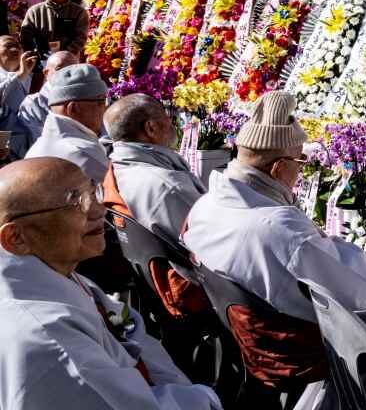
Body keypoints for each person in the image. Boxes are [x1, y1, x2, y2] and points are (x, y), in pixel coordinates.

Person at [184, 90, 366, 408]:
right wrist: (340, 250)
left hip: (250, 330)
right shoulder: (279, 228)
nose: (301, 170)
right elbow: (360, 292)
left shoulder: (204, 206)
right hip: (294, 344)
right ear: (278, 168)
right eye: (300, 161)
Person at [0, 157, 221, 409]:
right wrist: (204, 397)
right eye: (76, 201)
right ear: (15, 237)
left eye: (93, 192)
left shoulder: (55, 270)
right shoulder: (48, 341)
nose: (100, 210)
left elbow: (130, 335)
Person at [103, 94, 205, 238]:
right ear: (151, 128)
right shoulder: (170, 187)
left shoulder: (116, 167)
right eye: (166, 115)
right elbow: (215, 237)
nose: (172, 121)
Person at [26, 63, 109, 185]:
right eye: (100, 102)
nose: (105, 108)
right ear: (73, 108)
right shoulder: (82, 153)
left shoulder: (41, 145)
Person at [6, 51, 79, 160]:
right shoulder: (33, 103)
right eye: (60, 69)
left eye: (73, 68)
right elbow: (34, 143)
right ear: (46, 73)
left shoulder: (85, 99)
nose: (68, 73)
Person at [19, 0, 88, 56]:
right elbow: (25, 36)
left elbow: (80, 38)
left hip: (67, 59)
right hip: (39, 59)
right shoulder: (34, 11)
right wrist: (34, 53)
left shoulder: (78, 12)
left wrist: (64, 55)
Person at [0, 35, 37, 121]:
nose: (15, 49)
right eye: (9, 45)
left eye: (18, 46)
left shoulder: (37, 77)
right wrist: (20, 76)